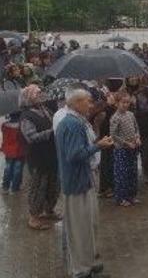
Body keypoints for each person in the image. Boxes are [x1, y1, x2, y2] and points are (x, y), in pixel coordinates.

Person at [55, 88, 114, 278]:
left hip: (83, 180)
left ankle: (88, 263)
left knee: (88, 225)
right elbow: (74, 155)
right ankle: (81, 270)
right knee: (79, 230)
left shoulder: (75, 121)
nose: (91, 105)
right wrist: (98, 146)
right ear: (77, 103)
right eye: (88, 101)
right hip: (76, 183)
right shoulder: (72, 124)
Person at [20, 85, 60, 230]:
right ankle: (34, 217)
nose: (41, 94)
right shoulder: (26, 116)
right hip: (37, 157)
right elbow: (31, 137)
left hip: (51, 154)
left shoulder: (45, 109)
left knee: (53, 185)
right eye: (37, 93)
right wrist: (51, 132)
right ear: (29, 97)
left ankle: (49, 210)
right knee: (38, 187)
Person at [109, 91, 141, 207]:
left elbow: (136, 128)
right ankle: (121, 197)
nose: (125, 104)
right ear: (117, 103)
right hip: (121, 150)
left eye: (127, 102)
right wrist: (126, 143)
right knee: (122, 174)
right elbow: (113, 135)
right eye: (123, 102)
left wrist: (137, 138)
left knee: (133, 172)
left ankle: (131, 195)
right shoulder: (115, 118)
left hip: (133, 148)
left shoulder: (130, 115)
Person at [1, 113, 25, 194]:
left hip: (8, 150)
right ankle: (15, 188)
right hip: (19, 150)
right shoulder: (22, 126)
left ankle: (5, 187)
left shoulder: (4, 125)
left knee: (8, 167)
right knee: (17, 169)